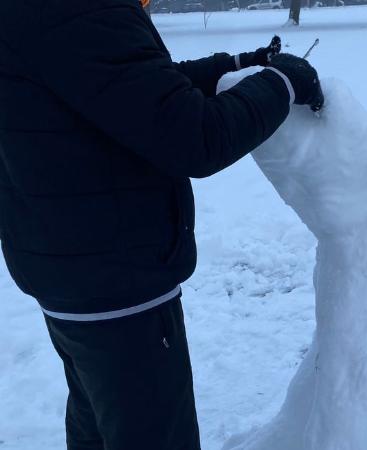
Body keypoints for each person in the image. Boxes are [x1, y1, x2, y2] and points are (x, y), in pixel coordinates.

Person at [0, 1, 323, 448]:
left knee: (98, 423)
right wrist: (283, 83)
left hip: (64, 268)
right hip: (116, 279)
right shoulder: (82, 11)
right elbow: (194, 137)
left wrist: (234, 65)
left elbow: (124, 89)